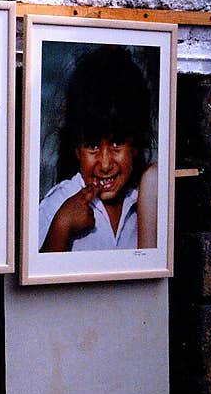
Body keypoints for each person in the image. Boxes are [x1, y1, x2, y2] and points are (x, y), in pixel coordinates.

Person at [38, 44, 157, 252]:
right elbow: (36, 280)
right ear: (76, 148)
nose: (104, 164)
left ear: (137, 143)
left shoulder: (144, 202)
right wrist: (61, 227)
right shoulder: (56, 205)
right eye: (92, 146)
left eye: (117, 143)